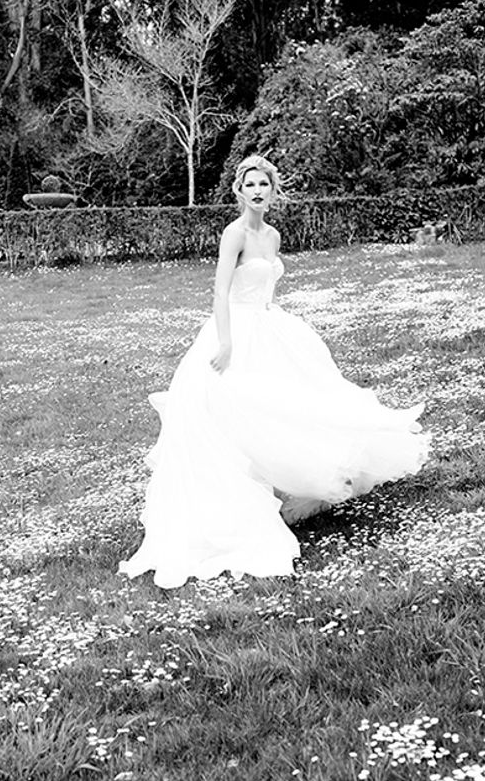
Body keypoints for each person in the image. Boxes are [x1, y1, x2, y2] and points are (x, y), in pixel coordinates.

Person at [119, 155, 430, 590]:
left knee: (290, 406)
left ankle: (285, 489)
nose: (257, 191)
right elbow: (220, 293)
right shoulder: (234, 233)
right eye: (250, 185)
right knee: (237, 410)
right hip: (235, 331)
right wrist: (226, 343)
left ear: (272, 189)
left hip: (269, 325)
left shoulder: (273, 235)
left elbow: (264, 287)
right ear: (239, 190)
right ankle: (239, 502)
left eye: (263, 184)